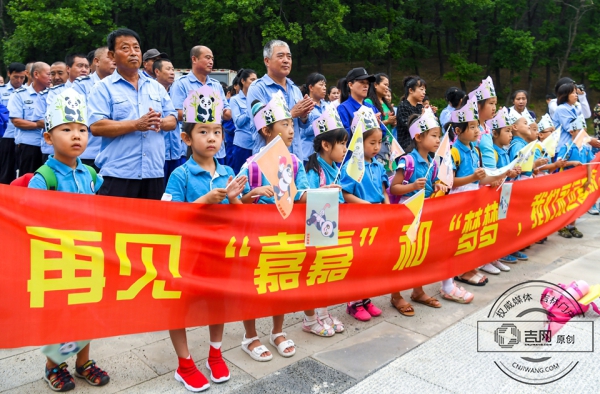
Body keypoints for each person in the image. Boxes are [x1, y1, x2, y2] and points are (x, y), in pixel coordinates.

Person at [164, 86, 245, 392]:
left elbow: (237, 215)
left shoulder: (227, 170)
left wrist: (236, 199)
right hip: (187, 255)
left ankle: (215, 352)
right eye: (203, 132)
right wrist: (205, 200)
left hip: (219, 252)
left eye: (216, 132)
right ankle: (184, 363)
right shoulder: (180, 175)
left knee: (217, 304)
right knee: (179, 306)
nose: (212, 138)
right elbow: (168, 217)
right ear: (186, 138)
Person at [28, 88, 109, 392]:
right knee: (60, 314)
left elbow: (100, 207)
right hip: (57, 259)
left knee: (87, 310)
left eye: (81, 130)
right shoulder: (43, 178)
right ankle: (54, 367)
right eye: (66, 130)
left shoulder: (90, 173)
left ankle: (83, 362)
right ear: (48, 138)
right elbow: (32, 219)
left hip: (88, 254)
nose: (76, 136)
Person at [238, 94, 309, 361]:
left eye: (292, 125)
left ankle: (277, 331)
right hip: (257, 237)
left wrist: (317, 194)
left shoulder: (295, 162)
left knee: (281, 281)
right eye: (284, 124)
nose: (291, 130)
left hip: (285, 233)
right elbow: (236, 200)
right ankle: (250, 335)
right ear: (267, 130)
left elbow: (301, 191)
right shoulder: (250, 166)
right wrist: (251, 194)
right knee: (253, 286)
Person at [87, 28, 177, 199]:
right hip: (118, 173)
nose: (133, 53)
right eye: (125, 48)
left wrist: (160, 122)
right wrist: (136, 124)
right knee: (114, 225)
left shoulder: (155, 87)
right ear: (113, 56)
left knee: (151, 224)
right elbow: (97, 126)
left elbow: (172, 119)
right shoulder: (103, 88)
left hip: (153, 172)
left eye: (136, 48)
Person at [389, 112, 451, 312]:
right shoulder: (407, 161)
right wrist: (412, 186)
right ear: (418, 137)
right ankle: (396, 295)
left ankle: (418, 290)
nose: (438, 140)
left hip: (424, 214)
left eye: (439, 136)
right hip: (406, 214)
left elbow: (432, 186)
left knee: (420, 253)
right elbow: (394, 188)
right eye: (433, 135)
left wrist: (439, 187)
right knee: (402, 256)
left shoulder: (433, 163)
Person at [447, 96, 503, 286]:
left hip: (472, 198)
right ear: (457, 131)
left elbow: (481, 178)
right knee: (459, 237)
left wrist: (499, 176)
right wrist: (473, 178)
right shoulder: (454, 152)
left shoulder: (474, 150)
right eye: (471, 127)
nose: (476, 130)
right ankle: (460, 271)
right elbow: (450, 182)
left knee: (471, 235)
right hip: (459, 199)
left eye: (476, 126)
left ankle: (470, 267)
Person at [302, 107, 348, 335]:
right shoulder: (314, 170)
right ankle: (310, 318)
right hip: (316, 233)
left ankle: (323, 312)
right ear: (326, 145)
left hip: (329, 231)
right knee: (313, 274)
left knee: (325, 274)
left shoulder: (335, 168)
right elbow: (309, 197)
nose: (345, 149)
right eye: (341, 143)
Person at [340, 107, 387, 321]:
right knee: (358, 260)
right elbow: (345, 192)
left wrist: (387, 205)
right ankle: (353, 301)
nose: (377, 147)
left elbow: (384, 190)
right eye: (372, 143)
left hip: (377, 216)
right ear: (359, 141)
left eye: (379, 142)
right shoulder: (352, 165)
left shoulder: (378, 165)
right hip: (360, 218)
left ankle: (366, 297)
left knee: (372, 261)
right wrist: (365, 204)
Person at [246, 39, 314, 156]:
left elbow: (304, 125)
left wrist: (304, 115)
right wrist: (291, 113)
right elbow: (261, 124)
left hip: (295, 157)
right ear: (267, 61)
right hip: (269, 157)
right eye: (281, 56)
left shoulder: (295, 89)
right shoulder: (257, 88)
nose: (286, 60)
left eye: (289, 57)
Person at [170, 45, 231, 165]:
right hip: (192, 147)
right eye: (207, 58)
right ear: (194, 59)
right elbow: (177, 113)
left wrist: (224, 112)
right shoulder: (181, 84)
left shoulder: (216, 85)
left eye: (212, 59)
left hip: (216, 149)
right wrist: (210, 112)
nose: (211, 62)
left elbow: (227, 113)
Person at [72, 46, 116, 171]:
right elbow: (80, 116)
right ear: (96, 61)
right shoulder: (82, 85)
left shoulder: (121, 86)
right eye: (109, 57)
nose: (114, 61)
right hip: (90, 152)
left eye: (115, 57)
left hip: (115, 155)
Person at [8, 61, 50, 174]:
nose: (51, 77)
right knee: (28, 179)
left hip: (49, 147)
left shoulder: (52, 94)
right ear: (36, 74)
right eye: (48, 74)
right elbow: (16, 121)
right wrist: (38, 124)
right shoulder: (20, 94)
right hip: (29, 145)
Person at [556, 116, 592, 238]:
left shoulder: (586, 148)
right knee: (565, 203)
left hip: (579, 181)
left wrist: (589, 179)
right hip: (567, 181)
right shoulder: (567, 147)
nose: (583, 133)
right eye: (579, 130)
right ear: (572, 131)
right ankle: (562, 226)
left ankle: (572, 225)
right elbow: (560, 161)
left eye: (584, 130)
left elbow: (589, 163)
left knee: (576, 203)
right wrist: (572, 163)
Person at [337, 68, 387, 141]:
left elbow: (383, 133)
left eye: (367, 83)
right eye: (362, 82)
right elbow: (344, 138)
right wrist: (365, 124)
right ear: (350, 85)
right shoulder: (343, 108)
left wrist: (377, 125)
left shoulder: (371, 107)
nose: (366, 86)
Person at [0, 62, 26, 184]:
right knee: (6, 171)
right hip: (6, 136)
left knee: (21, 172)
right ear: (9, 74)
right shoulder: (1, 91)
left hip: (21, 138)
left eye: (22, 77)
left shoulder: (26, 92)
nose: (19, 80)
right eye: (16, 77)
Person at [229, 68, 257, 173]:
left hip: (257, 144)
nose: (255, 83)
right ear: (243, 81)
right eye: (252, 80)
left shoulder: (258, 98)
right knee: (241, 174)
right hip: (242, 145)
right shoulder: (235, 100)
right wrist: (251, 108)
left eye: (256, 80)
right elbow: (238, 122)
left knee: (256, 176)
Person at [299, 72, 328, 161]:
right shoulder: (304, 105)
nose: (324, 88)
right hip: (309, 155)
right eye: (321, 85)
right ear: (311, 87)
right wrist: (324, 124)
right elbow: (303, 131)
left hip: (324, 155)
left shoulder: (328, 106)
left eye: (325, 85)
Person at [396, 76, 427, 150]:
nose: (424, 93)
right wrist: (422, 118)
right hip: (408, 149)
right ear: (411, 90)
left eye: (425, 90)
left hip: (420, 147)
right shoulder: (403, 106)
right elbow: (410, 127)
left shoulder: (420, 107)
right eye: (421, 89)